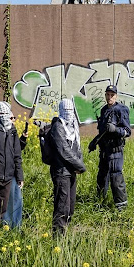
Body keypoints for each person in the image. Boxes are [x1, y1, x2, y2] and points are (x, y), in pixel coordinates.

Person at [88, 85, 131, 210]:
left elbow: (127, 131)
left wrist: (115, 129)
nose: (109, 97)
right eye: (107, 94)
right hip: (104, 151)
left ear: (116, 96)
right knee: (101, 178)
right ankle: (100, 204)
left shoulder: (121, 110)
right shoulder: (104, 110)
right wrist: (94, 141)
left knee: (116, 177)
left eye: (112, 95)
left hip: (115, 151)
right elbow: (103, 132)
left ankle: (121, 208)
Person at [49, 99, 86, 234]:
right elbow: (64, 150)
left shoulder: (73, 126)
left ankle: (66, 233)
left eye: (71, 110)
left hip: (72, 171)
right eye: (66, 110)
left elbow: (77, 147)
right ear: (60, 110)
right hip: (61, 171)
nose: (69, 113)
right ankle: (58, 236)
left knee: (70, 206)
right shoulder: (58, 127)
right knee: (62, 206)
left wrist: (78, 163)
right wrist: (80, 165)